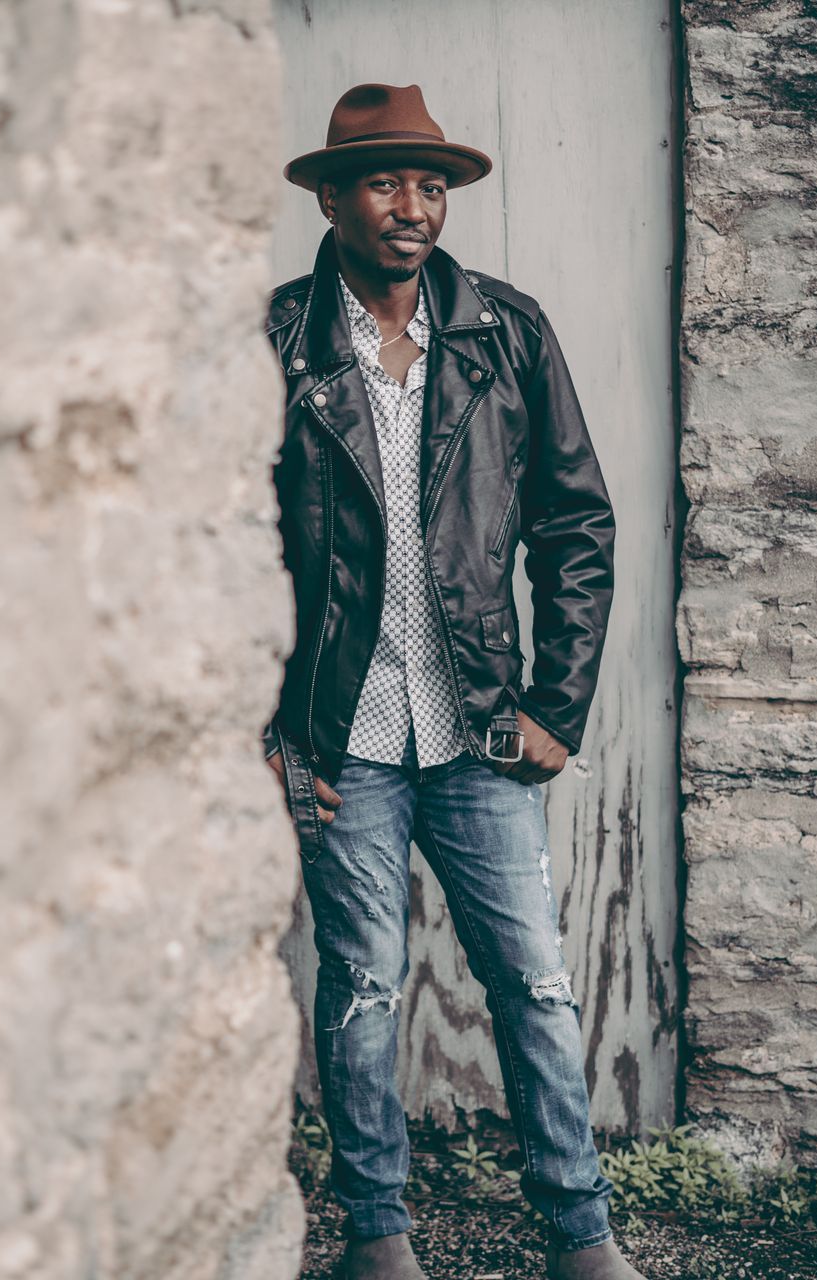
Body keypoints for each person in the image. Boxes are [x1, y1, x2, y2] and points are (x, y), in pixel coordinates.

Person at [260, 84, 642, 1280]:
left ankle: (580, 1235)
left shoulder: (505, 332)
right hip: (340, 736)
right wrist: (273, 735)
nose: (413, 207)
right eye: (385, 182)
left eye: (431, 185)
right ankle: (378, 1237)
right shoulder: (277, 341)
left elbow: (575, 524)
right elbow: (230, 545)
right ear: (332, 199)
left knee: (535, 982)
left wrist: (556, 706)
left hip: (480, 728)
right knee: (362, 985)